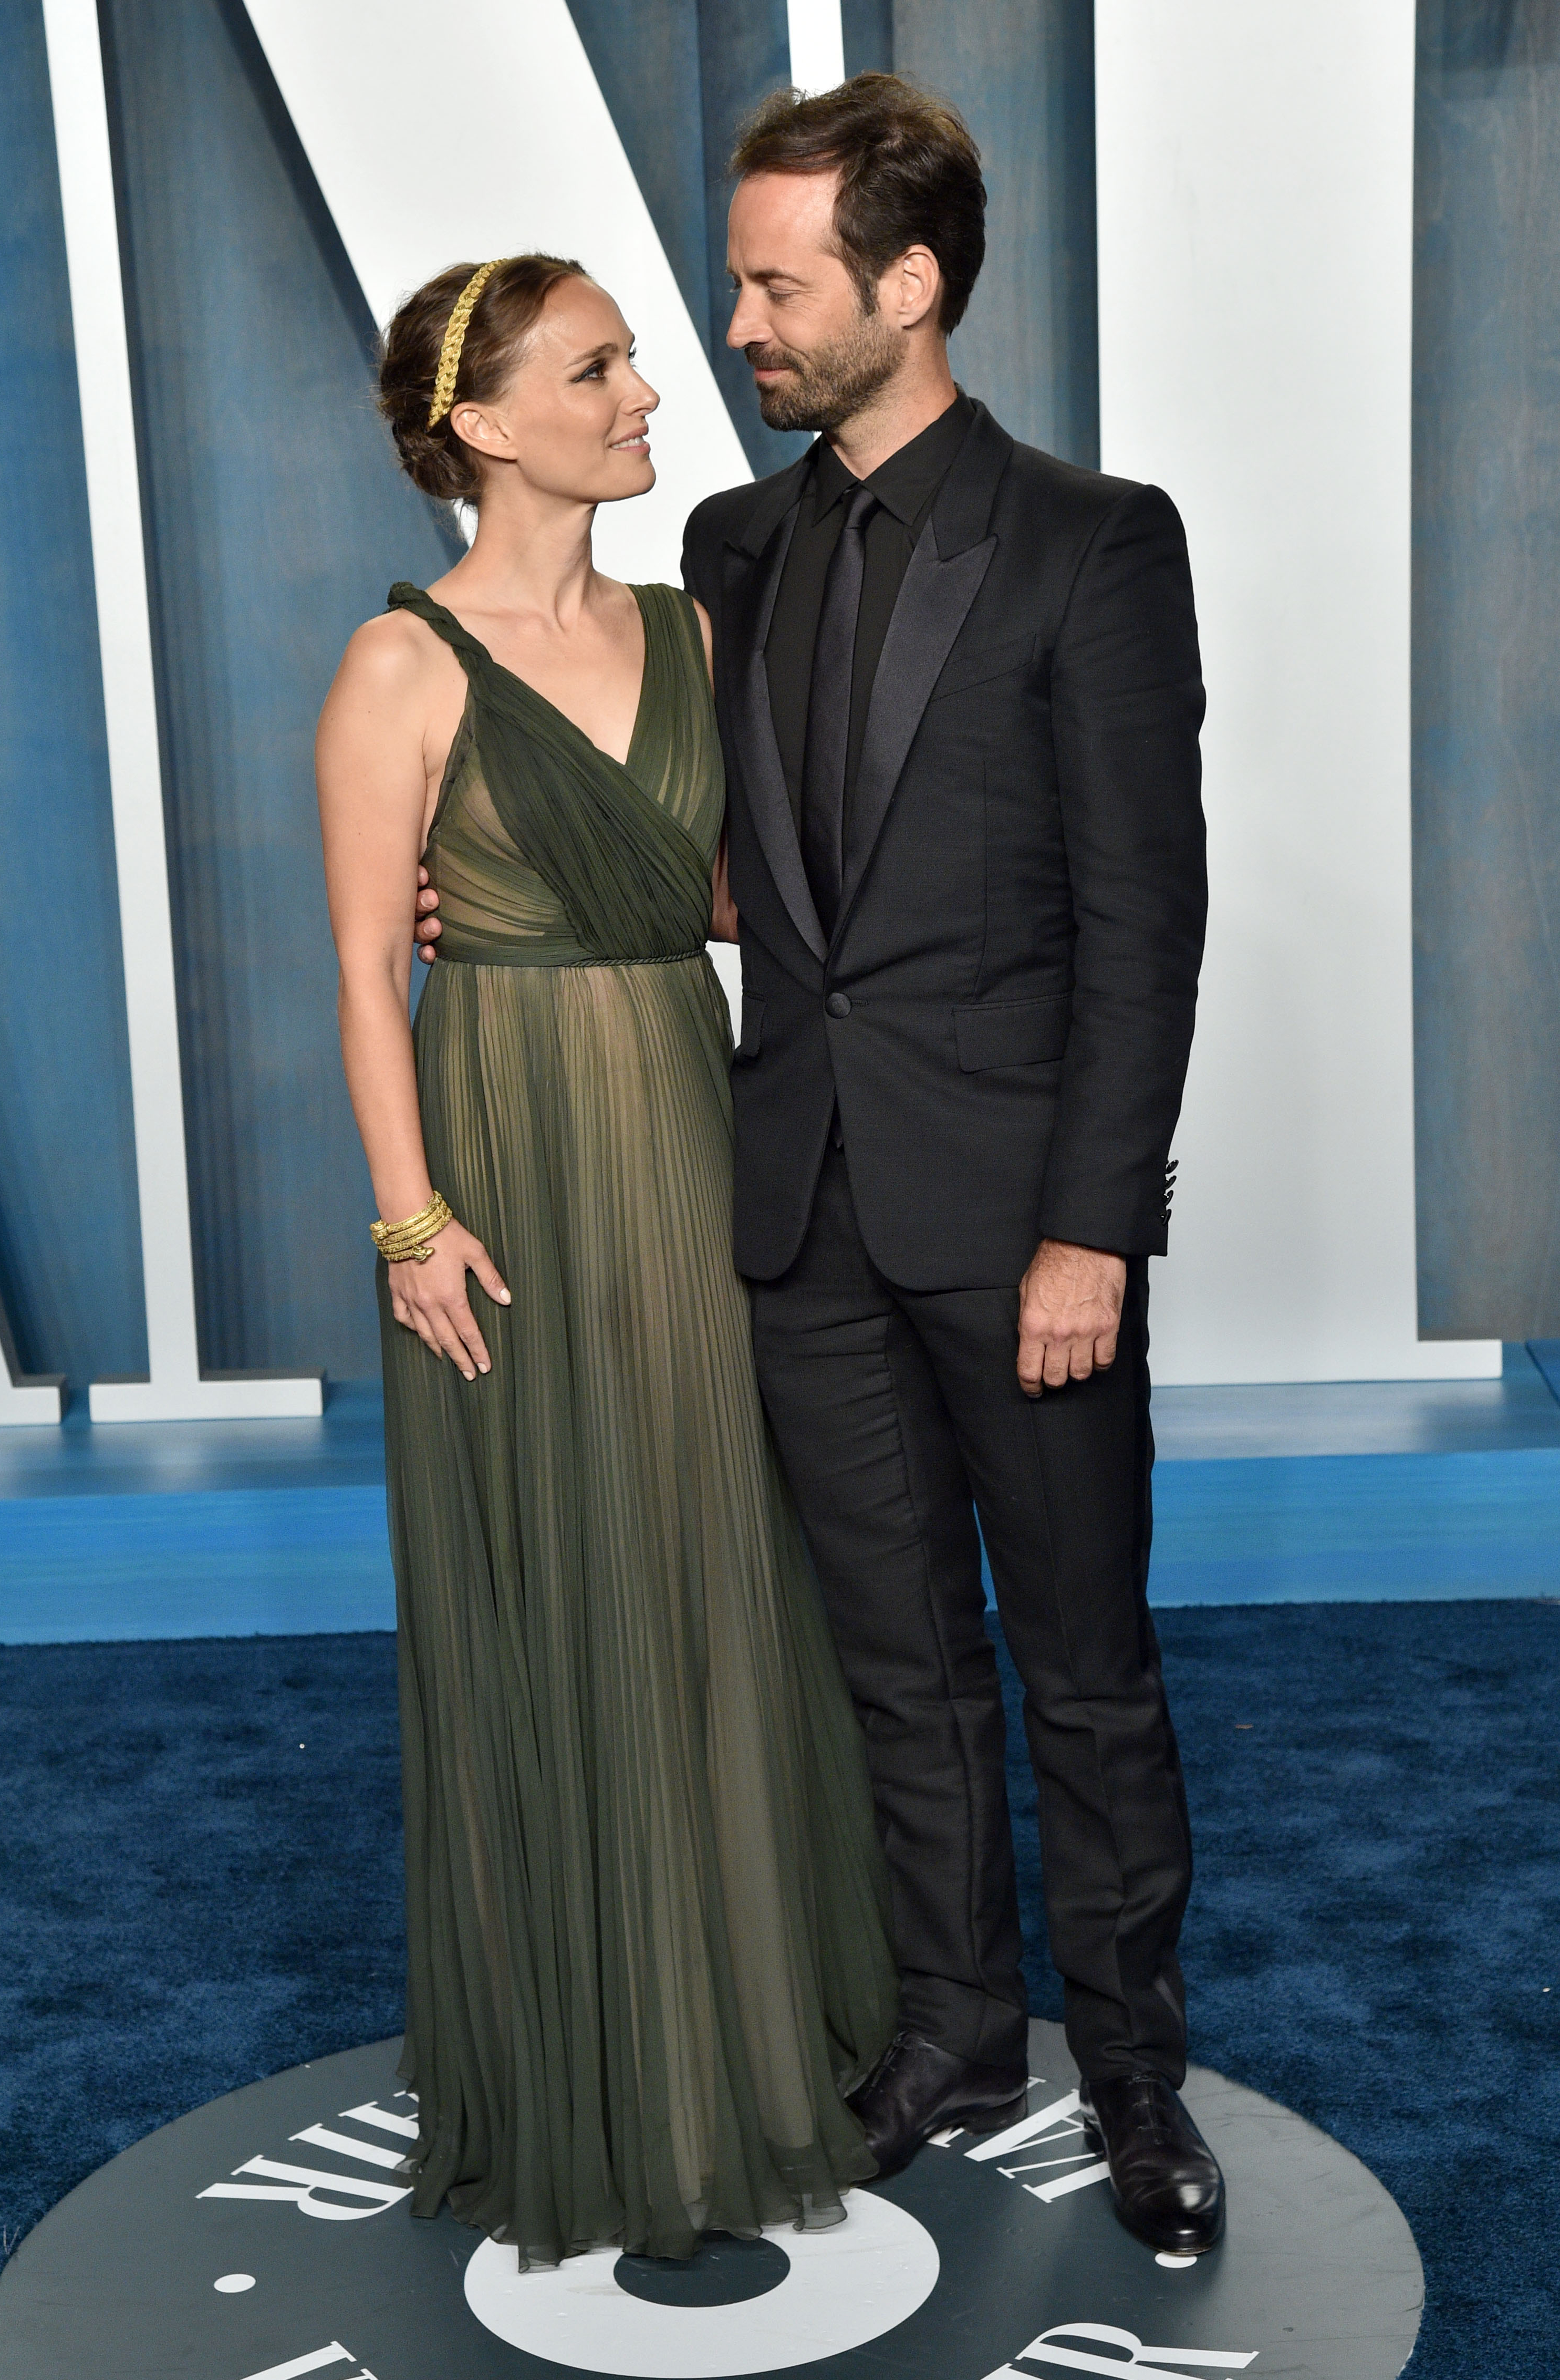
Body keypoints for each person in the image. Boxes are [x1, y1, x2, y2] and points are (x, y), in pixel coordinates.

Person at [421, 74, 1222, 2259]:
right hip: (793, 1213)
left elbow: (1142, 920)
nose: (735, 321)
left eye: (776, 283)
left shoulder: (1090, 538)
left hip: (1018, 1225)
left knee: (1079, 1666)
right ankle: (955, 2033)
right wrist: (504, 895)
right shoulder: (736, 547)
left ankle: (1134, 2076)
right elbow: (773, 884)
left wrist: (1094, 1222)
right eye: (735, 276)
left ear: (907, 284)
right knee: (893, 1661)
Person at [316, 252, 898, 2273]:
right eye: (598, 368)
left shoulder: (691, 626)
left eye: (636, 358)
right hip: (502, 1167)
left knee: (715, 1571)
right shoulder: (398, 667)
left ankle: (741, 2039)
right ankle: (596, 2071)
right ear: (483, 426)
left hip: (684, 1112)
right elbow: (368, 982)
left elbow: (733, 894)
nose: (650, 388)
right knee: (553, 1579)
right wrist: (412, 1218)